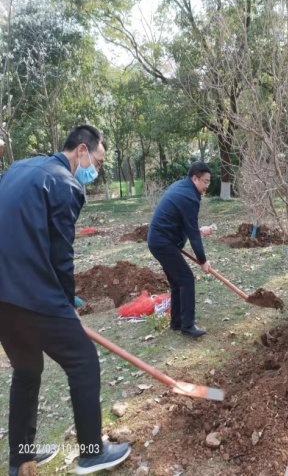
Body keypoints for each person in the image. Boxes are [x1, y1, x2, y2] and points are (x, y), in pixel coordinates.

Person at [0, 126, 131, 475]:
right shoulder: (65, 183)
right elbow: (61, 254)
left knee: (27, 370)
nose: (96, 170)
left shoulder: (18, 169)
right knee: (83, 362)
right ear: (82, 150)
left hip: (2, 296)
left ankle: (21, 458)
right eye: (98, 162)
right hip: (31, 291)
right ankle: (91, 452)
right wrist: (67, 305)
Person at [148, 161, 212, 338]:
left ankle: (176, 322)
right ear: (195, 178)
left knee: (177, 281)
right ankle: (188, 325)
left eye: (209, 182)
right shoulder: (189, 197)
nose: (207, 185)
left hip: (160, 240)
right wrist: (203, 260)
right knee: (186, 279)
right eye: (205, 181)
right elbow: (193, 233)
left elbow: (183, 223)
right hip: (163, 243)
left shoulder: (182, 186)